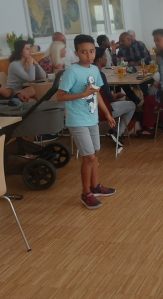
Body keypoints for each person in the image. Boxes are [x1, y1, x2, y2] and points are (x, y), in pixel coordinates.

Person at [57, 34, 116, 210]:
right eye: (84, 52)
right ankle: (85, 193)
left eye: (91, 51)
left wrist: (107, 114)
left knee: (95, 154)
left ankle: (95, 186)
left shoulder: (95, 70)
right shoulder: (72, 71)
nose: (89, 55)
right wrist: (83, 94)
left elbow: (97, 94)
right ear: (76, 53)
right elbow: (60, 96)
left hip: (92, 118)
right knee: (89, 156)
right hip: (77, 120)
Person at [93, 48, 136, 146]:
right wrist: (115, 96)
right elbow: (106, 97)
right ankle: (117, 132)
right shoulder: (100, 75)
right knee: (132, 105)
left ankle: (114, 131)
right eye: (105, 57)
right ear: (99, 59)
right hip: (105, 110)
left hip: (91, 111)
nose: (106, 59)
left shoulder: (87, 74)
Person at [112, 31, 151, 104]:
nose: (121, 43)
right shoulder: (121, 49)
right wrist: (114, 51)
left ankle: (147, 101)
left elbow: (147, 57)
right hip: (130, 73)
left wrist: (137, 63)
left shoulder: (139, 44)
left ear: (128, 39)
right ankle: (136, 100)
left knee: (142, 82)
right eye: (120, 41)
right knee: (122, 83)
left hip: (143, 72)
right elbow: (116, 63)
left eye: (123, 41)